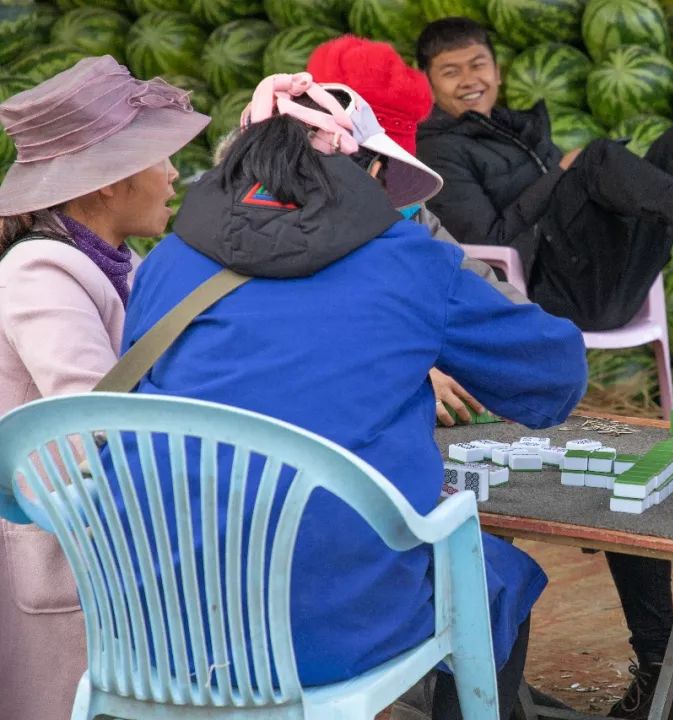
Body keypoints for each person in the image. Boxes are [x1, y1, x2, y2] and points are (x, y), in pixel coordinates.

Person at [118, 72, 587, 719]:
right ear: (365, 168)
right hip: (334, 624)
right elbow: (555, 377)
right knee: (493, 579)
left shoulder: (167, 261)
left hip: (166, 622)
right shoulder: (407, 259)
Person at [0, 56, 208, 720]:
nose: (173, 173)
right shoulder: (39, 273)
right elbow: (97, 418)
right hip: (70, 558)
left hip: (112, 550)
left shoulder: (119, 263)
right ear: (107, 182)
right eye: (159, 157)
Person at [414, 16, 673, 333]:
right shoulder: (438, 150)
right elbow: (489, 241)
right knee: (595, 157)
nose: (468, 79)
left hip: (606, 277)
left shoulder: (515, 128)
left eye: (477, 65)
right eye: (450, 72)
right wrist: (561, 172)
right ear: (427, 82)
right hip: (555, 295)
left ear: (496, 72)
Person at [306, 34, 526, 428]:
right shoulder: (270, 222)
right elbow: (314, 327)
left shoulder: (404, 206)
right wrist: (416, 370)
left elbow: (461, 272)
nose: (392, 188)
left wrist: (532, 336)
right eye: (383, 169)